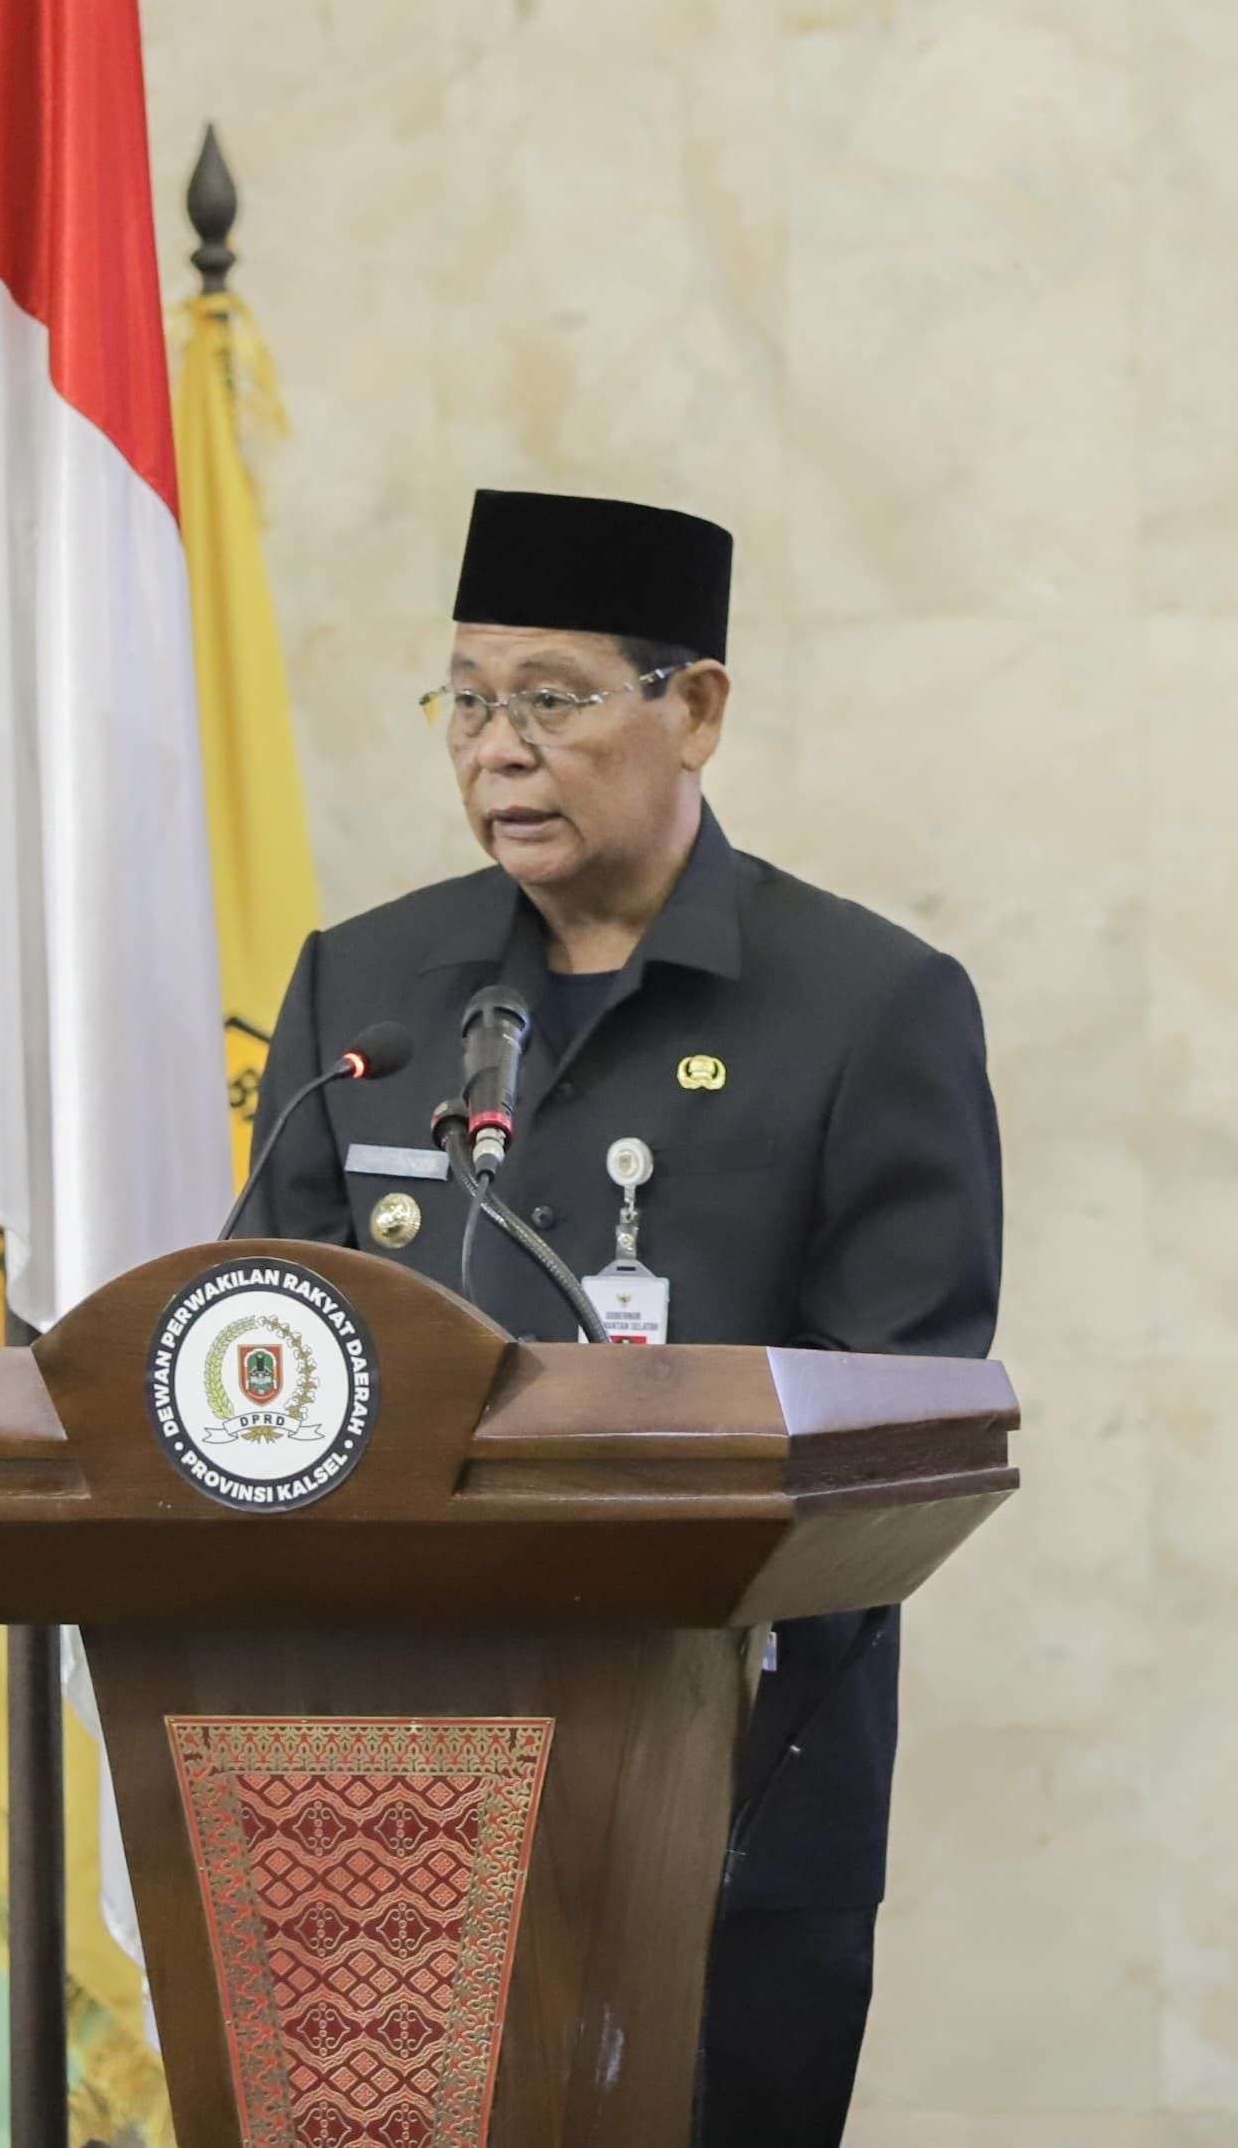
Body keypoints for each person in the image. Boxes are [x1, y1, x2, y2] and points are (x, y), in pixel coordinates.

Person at [245, 487, 1003, 2148]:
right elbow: (270, 1349)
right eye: (465, 700)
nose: (495, 749)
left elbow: (906, 1433)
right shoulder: (364, 990)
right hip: (383, 1777)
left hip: (723, 1787)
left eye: (551, 697)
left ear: (697, 708)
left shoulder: (867, 1007)